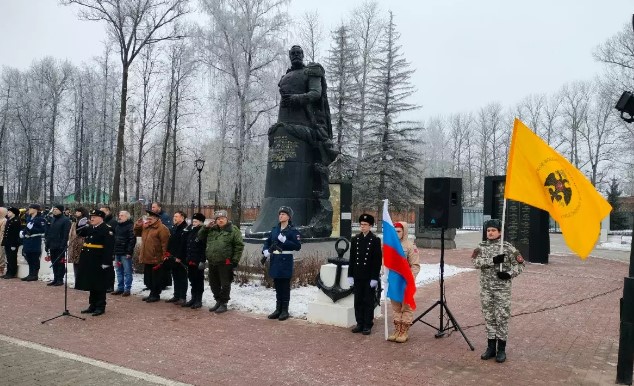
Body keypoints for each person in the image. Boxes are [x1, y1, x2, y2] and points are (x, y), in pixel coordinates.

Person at [472, 219, 525, 363]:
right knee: (489, 317)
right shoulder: (481, 246)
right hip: (486, 290)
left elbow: (520, 265)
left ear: (499, 232)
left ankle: (501, 349)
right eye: (488, 230)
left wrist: (508, 274)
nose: (490, 233)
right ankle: (490, 348)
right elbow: (475, 262)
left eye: (493, 230)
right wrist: (493, 261)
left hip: (502, 290)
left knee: (501, 318)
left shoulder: (507, 248)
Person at [198, 210, 244, 314]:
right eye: (218, 219)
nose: (220, 220)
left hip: (225, 262)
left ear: (227, 219)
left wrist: (235, 260)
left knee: (225, 284)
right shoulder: (212, 229)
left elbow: (239, 246)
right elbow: (200, 236)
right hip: (212, 261)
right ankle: (218, 301)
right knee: (213, 283)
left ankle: (224, 303)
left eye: (222, 218)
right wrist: (206, 227)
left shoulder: (233, 230)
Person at [261, 206, 301, 321]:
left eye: (283, 214)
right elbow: (267, 242)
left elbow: (297, 246)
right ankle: (278, 309)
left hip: (285, 260)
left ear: (289, 217)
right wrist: (265, 250)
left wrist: (285, 241)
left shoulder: (293, 231)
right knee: (277, 285)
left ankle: (284, 310)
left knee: (285, 286)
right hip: (275, 260)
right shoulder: (275, 229)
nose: (280, 216)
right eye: (280, 214)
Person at [76, 209, 115, 316]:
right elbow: (79, 233)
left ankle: (100, 306)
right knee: (91, 283)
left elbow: (109, 248)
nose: (91, 219)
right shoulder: (90, 228)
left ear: (101, 218)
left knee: (99, 284)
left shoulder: (107, 229)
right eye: (91, 217)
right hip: (88, 260)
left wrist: (106, 262)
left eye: (94, 217)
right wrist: (79, 222)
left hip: (99, 260)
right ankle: (92, 305)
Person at [347, 213, 382, 335]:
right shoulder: (355, 239)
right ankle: (359, 323)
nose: (362, 227)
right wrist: (350, 274)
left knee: (368, 301)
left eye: (365, 225)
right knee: (358, 300)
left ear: (370, 226)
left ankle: (368, 324)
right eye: (361, 224)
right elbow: (352, 259)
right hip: (357, 275)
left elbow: (377, 261)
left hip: (368, 276)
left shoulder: (375, 240)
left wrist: (374, 277)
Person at [387, 222, 421, 343]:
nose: (396, 234)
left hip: (405, 281)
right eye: (394, 231)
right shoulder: (391, 246)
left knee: (406, 307)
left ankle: (404, 331)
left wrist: (410, 279)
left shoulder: (410, 246)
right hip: (394, 281)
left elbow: (415, 266)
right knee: (396, 307)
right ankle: (397, 329)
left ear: (404, 232)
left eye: (399, 231)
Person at [134, 209, 170, 303]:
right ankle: (151, 293)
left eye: (150, 219)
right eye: (148, 218)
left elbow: (165, 244)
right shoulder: (146, 227)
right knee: (148, 278)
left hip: (156, 258)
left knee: (156, 279)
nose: (148, 220)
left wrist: (164, 256)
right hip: (147, 256)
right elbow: (137, 232)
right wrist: (139, 223)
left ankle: (155, 294)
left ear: (156, 219)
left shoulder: (162, 228)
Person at [182, 213, 207, 309]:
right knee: (192, 280)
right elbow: (187, 244)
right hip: (190, 260)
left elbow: (204, 247)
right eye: (193, 221)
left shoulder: (203, 232)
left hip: (198, 261)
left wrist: (202, 260)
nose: (193, 223)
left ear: (201, 222)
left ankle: (198, 300)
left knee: (198, 281)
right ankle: (193, 298)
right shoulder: (191, 230)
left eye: (196, 221)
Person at [44, 205, 72, 286]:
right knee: (54, 262)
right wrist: (47, 244)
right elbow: (50, 233)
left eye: (56, 209)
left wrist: (63, 245)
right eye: (54, 209)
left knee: (60, 263)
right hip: (52, 244)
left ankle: (60, 279)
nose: (54, 211)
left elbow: (65, 234)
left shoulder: (65, 220)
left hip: (60, 245)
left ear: (61, 210)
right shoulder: (53, 219)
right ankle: (55, 278)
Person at [165, 211, 188, 305]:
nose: (174, 218)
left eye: (176, 216)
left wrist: (179, 257)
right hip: (172, 257)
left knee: (182, 277)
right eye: (174, 216)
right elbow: (170, 242)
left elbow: (184, 244)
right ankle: (176, 295)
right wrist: (167, 253)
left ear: (182, 217)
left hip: (181, 258)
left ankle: (183, 297)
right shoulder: (174, 228)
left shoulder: (185, 228)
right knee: (175, 276)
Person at [19, 204, 48, 282]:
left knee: (34, 258)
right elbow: (27, 228)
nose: (29, 210)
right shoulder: (29, 218)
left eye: (30, 208)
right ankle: (30, 274)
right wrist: (23, 232)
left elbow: (43, 230)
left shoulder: (40, 219)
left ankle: (34, 275)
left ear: (35, 209)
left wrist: (33, 228)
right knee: (28, 257)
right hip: (27, 240)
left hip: (35, 240)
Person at [112, 210, 136, 296]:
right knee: (118, 271)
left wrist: (129, 252)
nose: (120, 217)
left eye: (122, 215)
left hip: (125, 253)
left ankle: (127, 289)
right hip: (117, 252)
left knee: (127, 271)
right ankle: (120, 288)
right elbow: (115, 239)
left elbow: (132, 240)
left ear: (127, 217)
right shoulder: (118, 226)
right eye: (119, 215)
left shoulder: (130, 226)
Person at [68, 207, 89, 281]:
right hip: (74, 244)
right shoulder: (76, 220)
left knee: (80, 263)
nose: (76, 213)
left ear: (82, 212)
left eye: (77, 211)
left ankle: (81, 280)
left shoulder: (84, 220)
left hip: (80, 244)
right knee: (76, 263)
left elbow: (82, 233)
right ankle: (77, 279)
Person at [100, 206, 118, 292]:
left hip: (109, 248)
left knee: (109, 268)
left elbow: (115, 236)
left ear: (108, 211)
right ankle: (103, 284)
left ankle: (110, 285)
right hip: (101, 248)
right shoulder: (101, 222)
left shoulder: (113, 222)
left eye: (103, 211)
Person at [1, 207, 21, 279]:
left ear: (13, 213)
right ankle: (8, 272)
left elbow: (15, 234)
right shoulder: (9, 220)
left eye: (9, 212)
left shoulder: (16, 221)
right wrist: (4, 241)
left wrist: (14, 244)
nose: (8, 213)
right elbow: (6, 233)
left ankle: (12, 273)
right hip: (8, 242)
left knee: (12, 258)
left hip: (12, 243)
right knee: (8, 258)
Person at [0, 207, 7, 276]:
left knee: (1, 255)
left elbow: (2, 232)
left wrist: (2, 241)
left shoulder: (4, 221)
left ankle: (1, 270)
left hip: (0, 240)